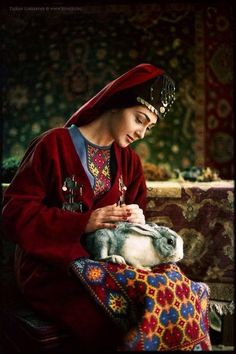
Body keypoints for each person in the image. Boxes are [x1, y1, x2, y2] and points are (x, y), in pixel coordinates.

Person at [2, 63, 177, 351]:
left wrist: (138, 219)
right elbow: (13, 216)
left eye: (149, 126)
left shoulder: (130, 163)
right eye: (139, 119)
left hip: (109, 263)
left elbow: (134, 227)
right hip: (52, 267)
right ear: (117, 103)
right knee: (115, 311)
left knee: (171, 287)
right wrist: (83, 223)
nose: (142, 133)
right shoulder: (53, 145)